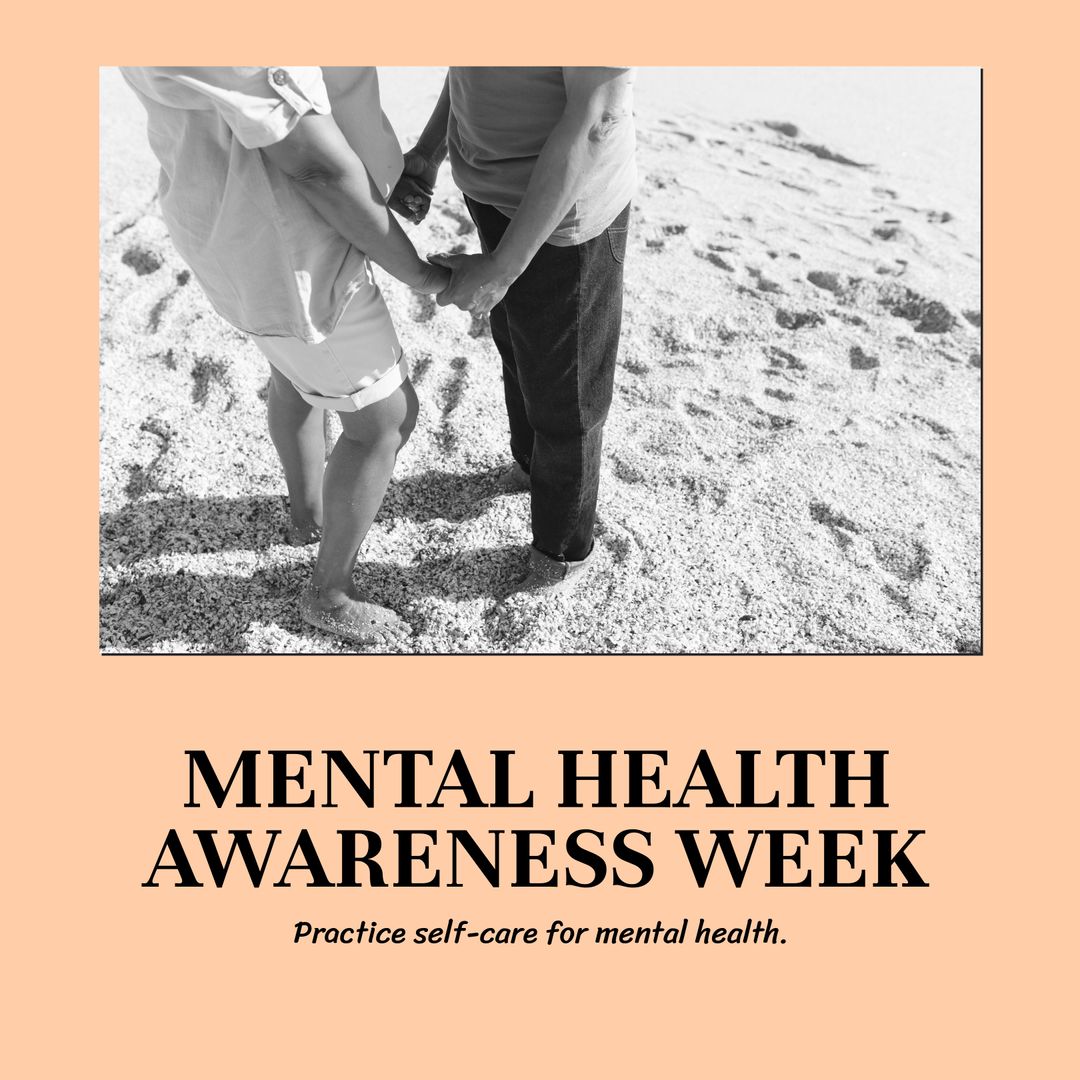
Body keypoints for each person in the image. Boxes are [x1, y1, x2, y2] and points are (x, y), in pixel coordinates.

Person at [120, 67, 449, 645]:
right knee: (383, 418)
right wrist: (424, 276)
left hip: (230, 222)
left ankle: (307, 512)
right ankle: (332, 592)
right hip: (291, 244)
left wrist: (393, 166)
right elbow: (314, 165)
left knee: (295, 377)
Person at [395, 67, 636, 596]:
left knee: (566, 396)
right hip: (490, 190)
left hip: (567, 216)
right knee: (518, 345)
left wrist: (502, 269)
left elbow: (596, 118)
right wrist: (428, 153)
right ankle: (529, 469)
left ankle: (562, 554)